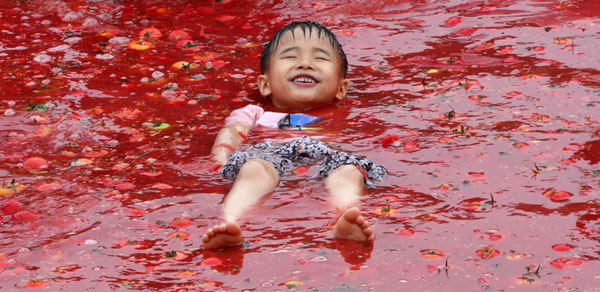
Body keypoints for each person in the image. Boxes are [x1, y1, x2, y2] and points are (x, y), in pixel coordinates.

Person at [202, 21, 386, 249]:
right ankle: (230, 222)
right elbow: (232, 132)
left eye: (320, 58)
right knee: (254, 170)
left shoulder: (346, 115)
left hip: (326, 160)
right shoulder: (255, 113)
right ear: (265, 84)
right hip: (269, 157)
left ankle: (345, 217)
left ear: (341, 88)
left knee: (349, 172)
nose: (305, 64)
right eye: (290, 57)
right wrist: (220, 156)